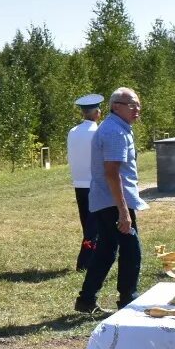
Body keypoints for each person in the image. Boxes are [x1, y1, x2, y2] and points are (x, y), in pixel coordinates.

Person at [74, 88, 147, 315]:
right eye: (131, 105)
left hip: (110, 200)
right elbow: (111, 172)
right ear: (116, 106)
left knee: (106, 251)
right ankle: (128, 298)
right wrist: (123, 212)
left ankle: (86, 300)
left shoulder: (117, 128)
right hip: (113, 201)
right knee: (131, 248)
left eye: (138, 104)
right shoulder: (115, 131)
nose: (137, 109)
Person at [67, 94, 104, 272]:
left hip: (78, 182)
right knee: (94, 226)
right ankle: (85, 261)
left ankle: (93, 256)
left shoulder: (73, 131)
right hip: (94, 182)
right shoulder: (98, 132)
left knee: (87, 223)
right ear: (96, 113)